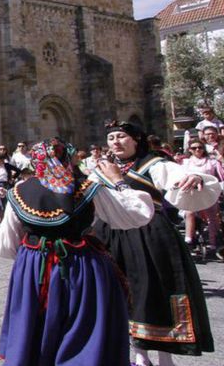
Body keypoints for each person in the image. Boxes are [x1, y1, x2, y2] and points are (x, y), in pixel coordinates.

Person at [0, 138, 155, 365]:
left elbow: (7, 245)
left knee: (34, 324)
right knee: (84, 328)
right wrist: (119, 182)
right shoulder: (88, 187)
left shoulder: (19, 191)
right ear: (67, 158)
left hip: (33, 267)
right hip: (81, 266)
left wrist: (31, 258)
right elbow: (137, 214)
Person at [93, 121, 220, 366]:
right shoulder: (101, 169)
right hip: (112, 236)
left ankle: (165, 356)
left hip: (149, 235)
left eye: (121, 137)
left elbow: (177, 175)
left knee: (156, 290)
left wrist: (192, 176)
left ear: (136, 139)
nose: (116, 142)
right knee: (122, 293)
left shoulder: (154, 164)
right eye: (111, 138)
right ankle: (139, 355)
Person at [182, 139, 224, 257]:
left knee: (212, 215)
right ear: (190, 150)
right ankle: (189, 240)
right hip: (192, 192)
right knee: (189, 213)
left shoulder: (212, 162)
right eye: (194, 148)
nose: (197, 150)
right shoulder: (186, 163)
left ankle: (213, 241)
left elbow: (220, 177)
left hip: (208, 191)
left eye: (200, 147)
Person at [0, 152, 18, 228]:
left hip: (4, 185)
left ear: (2, 159)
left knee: (2, 204)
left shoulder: (6, 166)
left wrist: (12, 178)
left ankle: (2, 222)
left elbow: (18, 170)